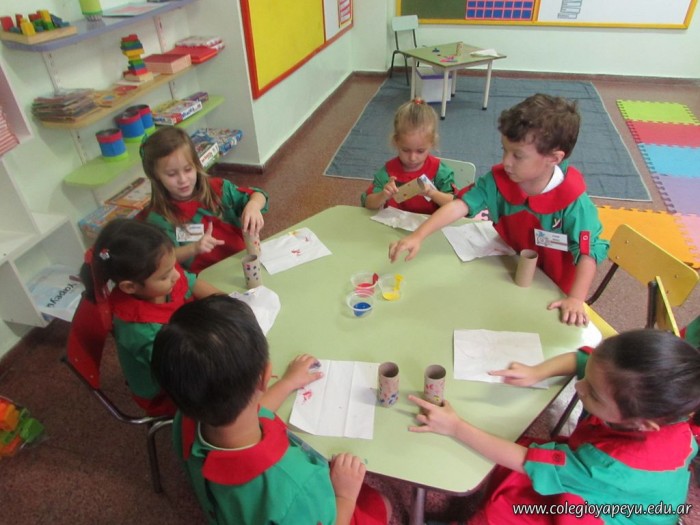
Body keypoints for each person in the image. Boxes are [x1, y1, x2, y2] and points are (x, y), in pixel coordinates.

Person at [410, 329, 700, 524]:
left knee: (505, 511)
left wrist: (456, 427)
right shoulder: (658, 406)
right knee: (511, 456)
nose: (579, 387)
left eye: (593, 393)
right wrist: (537, 371)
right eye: (586, 377)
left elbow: (526, 461)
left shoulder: (612, 467)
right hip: (600, 481)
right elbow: (581, 359)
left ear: (642, 424)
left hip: (609, 512)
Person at [151, 295, 391, 525]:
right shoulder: (296, 484)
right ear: (265, 376)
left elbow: (250, 412)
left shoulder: (185, 419)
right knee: (382, 503)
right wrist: (344, 496)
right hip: (307, 504)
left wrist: (287, 383)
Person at [389, 94, 609, 326]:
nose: (506, 162)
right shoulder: (500, 180)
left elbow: (588, 253)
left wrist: (576, 299)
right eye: (505, 150)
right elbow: (459, 205)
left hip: (555, 290)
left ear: (553, 158)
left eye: (518, 156)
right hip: (512, 269)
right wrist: (418, 235)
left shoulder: (574, 201)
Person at [80, 218, 222, 416]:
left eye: (174, 266)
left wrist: (229, 300)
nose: (176, 275)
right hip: (167, 390)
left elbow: (192, 282)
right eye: (165, 276)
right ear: (130, 287)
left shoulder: (161, 274)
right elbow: (184, 371)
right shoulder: (141, 329)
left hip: (188, 345)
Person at [140, 126, 269, 274]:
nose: (183, 180)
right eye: (171, 174)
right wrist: (194, 248)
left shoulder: (218, 189)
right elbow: (165, 258)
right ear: (156, 176)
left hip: (242, 261)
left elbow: (258, 194)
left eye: (188, 169)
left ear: (196, 165)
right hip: (205, 276)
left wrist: (253, 206)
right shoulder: (159, 218)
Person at [362, 98, 455, 214]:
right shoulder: (388, 172)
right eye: (405, 150)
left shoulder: (439, 171)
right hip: (395, 223)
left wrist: (432, 193)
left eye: (420, 151)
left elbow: (456, 204)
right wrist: (383, 195)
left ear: (432, 143)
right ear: (396, 142)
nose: (412, 158)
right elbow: (368, 203)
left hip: (431, 223)